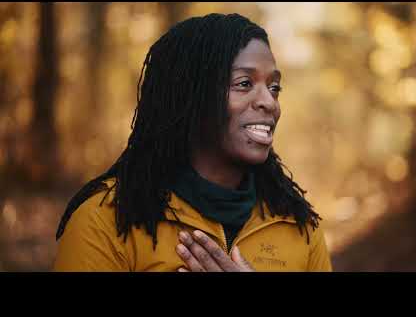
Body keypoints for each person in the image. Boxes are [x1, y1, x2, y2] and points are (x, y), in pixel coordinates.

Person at [53, 13, 332, 272]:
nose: (269, 102)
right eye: (244, 83)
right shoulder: (105, 221)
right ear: (190, 96)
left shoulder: (299, 226)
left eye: (274, 88)